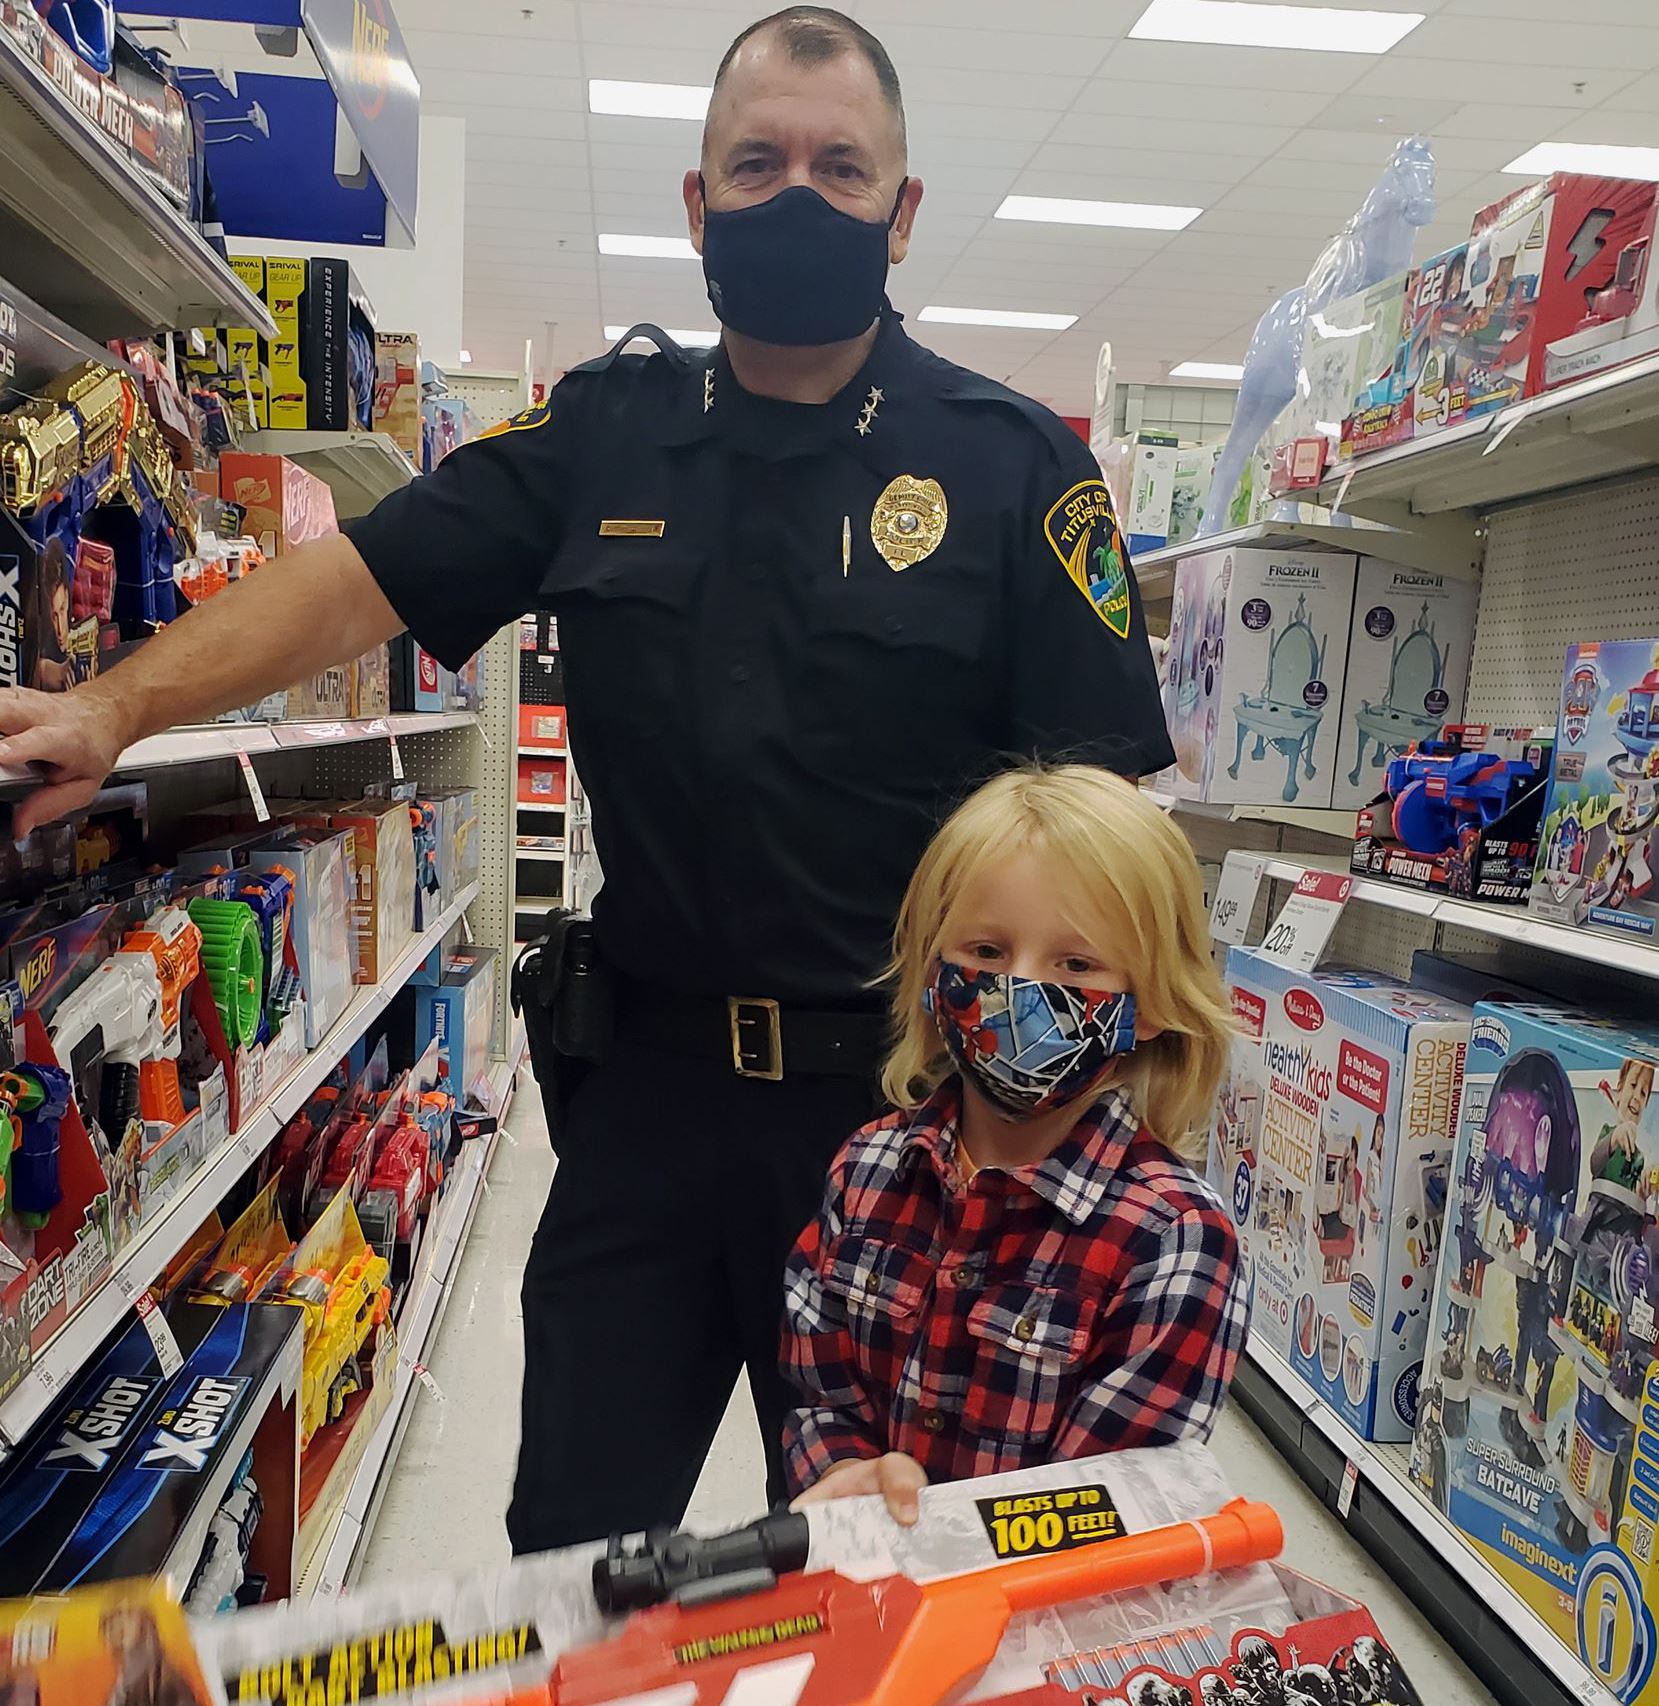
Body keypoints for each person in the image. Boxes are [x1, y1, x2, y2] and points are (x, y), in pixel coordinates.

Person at [0, 8, 1173, 1550]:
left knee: (879, 1566)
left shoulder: (1017, 469)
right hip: (648, 1115)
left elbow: (1115, 855)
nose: (795, 196)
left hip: (912, 1129)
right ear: (695, 205)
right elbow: (358, 575)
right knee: (568, 1543)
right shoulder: (602, 435)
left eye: (839, 167)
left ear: (903, 211)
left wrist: (1105, 1146)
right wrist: (112, 705)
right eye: (754, 163)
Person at [783, 767, 1247, 1523]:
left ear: (1155, 1004)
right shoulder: (865, 1171)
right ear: (934, 973)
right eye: (987, 950)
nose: (1018, 994)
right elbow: (819, 1396)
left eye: (1075, 964)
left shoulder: (1175, 1242)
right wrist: (853, 1483)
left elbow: (1108, 1508)